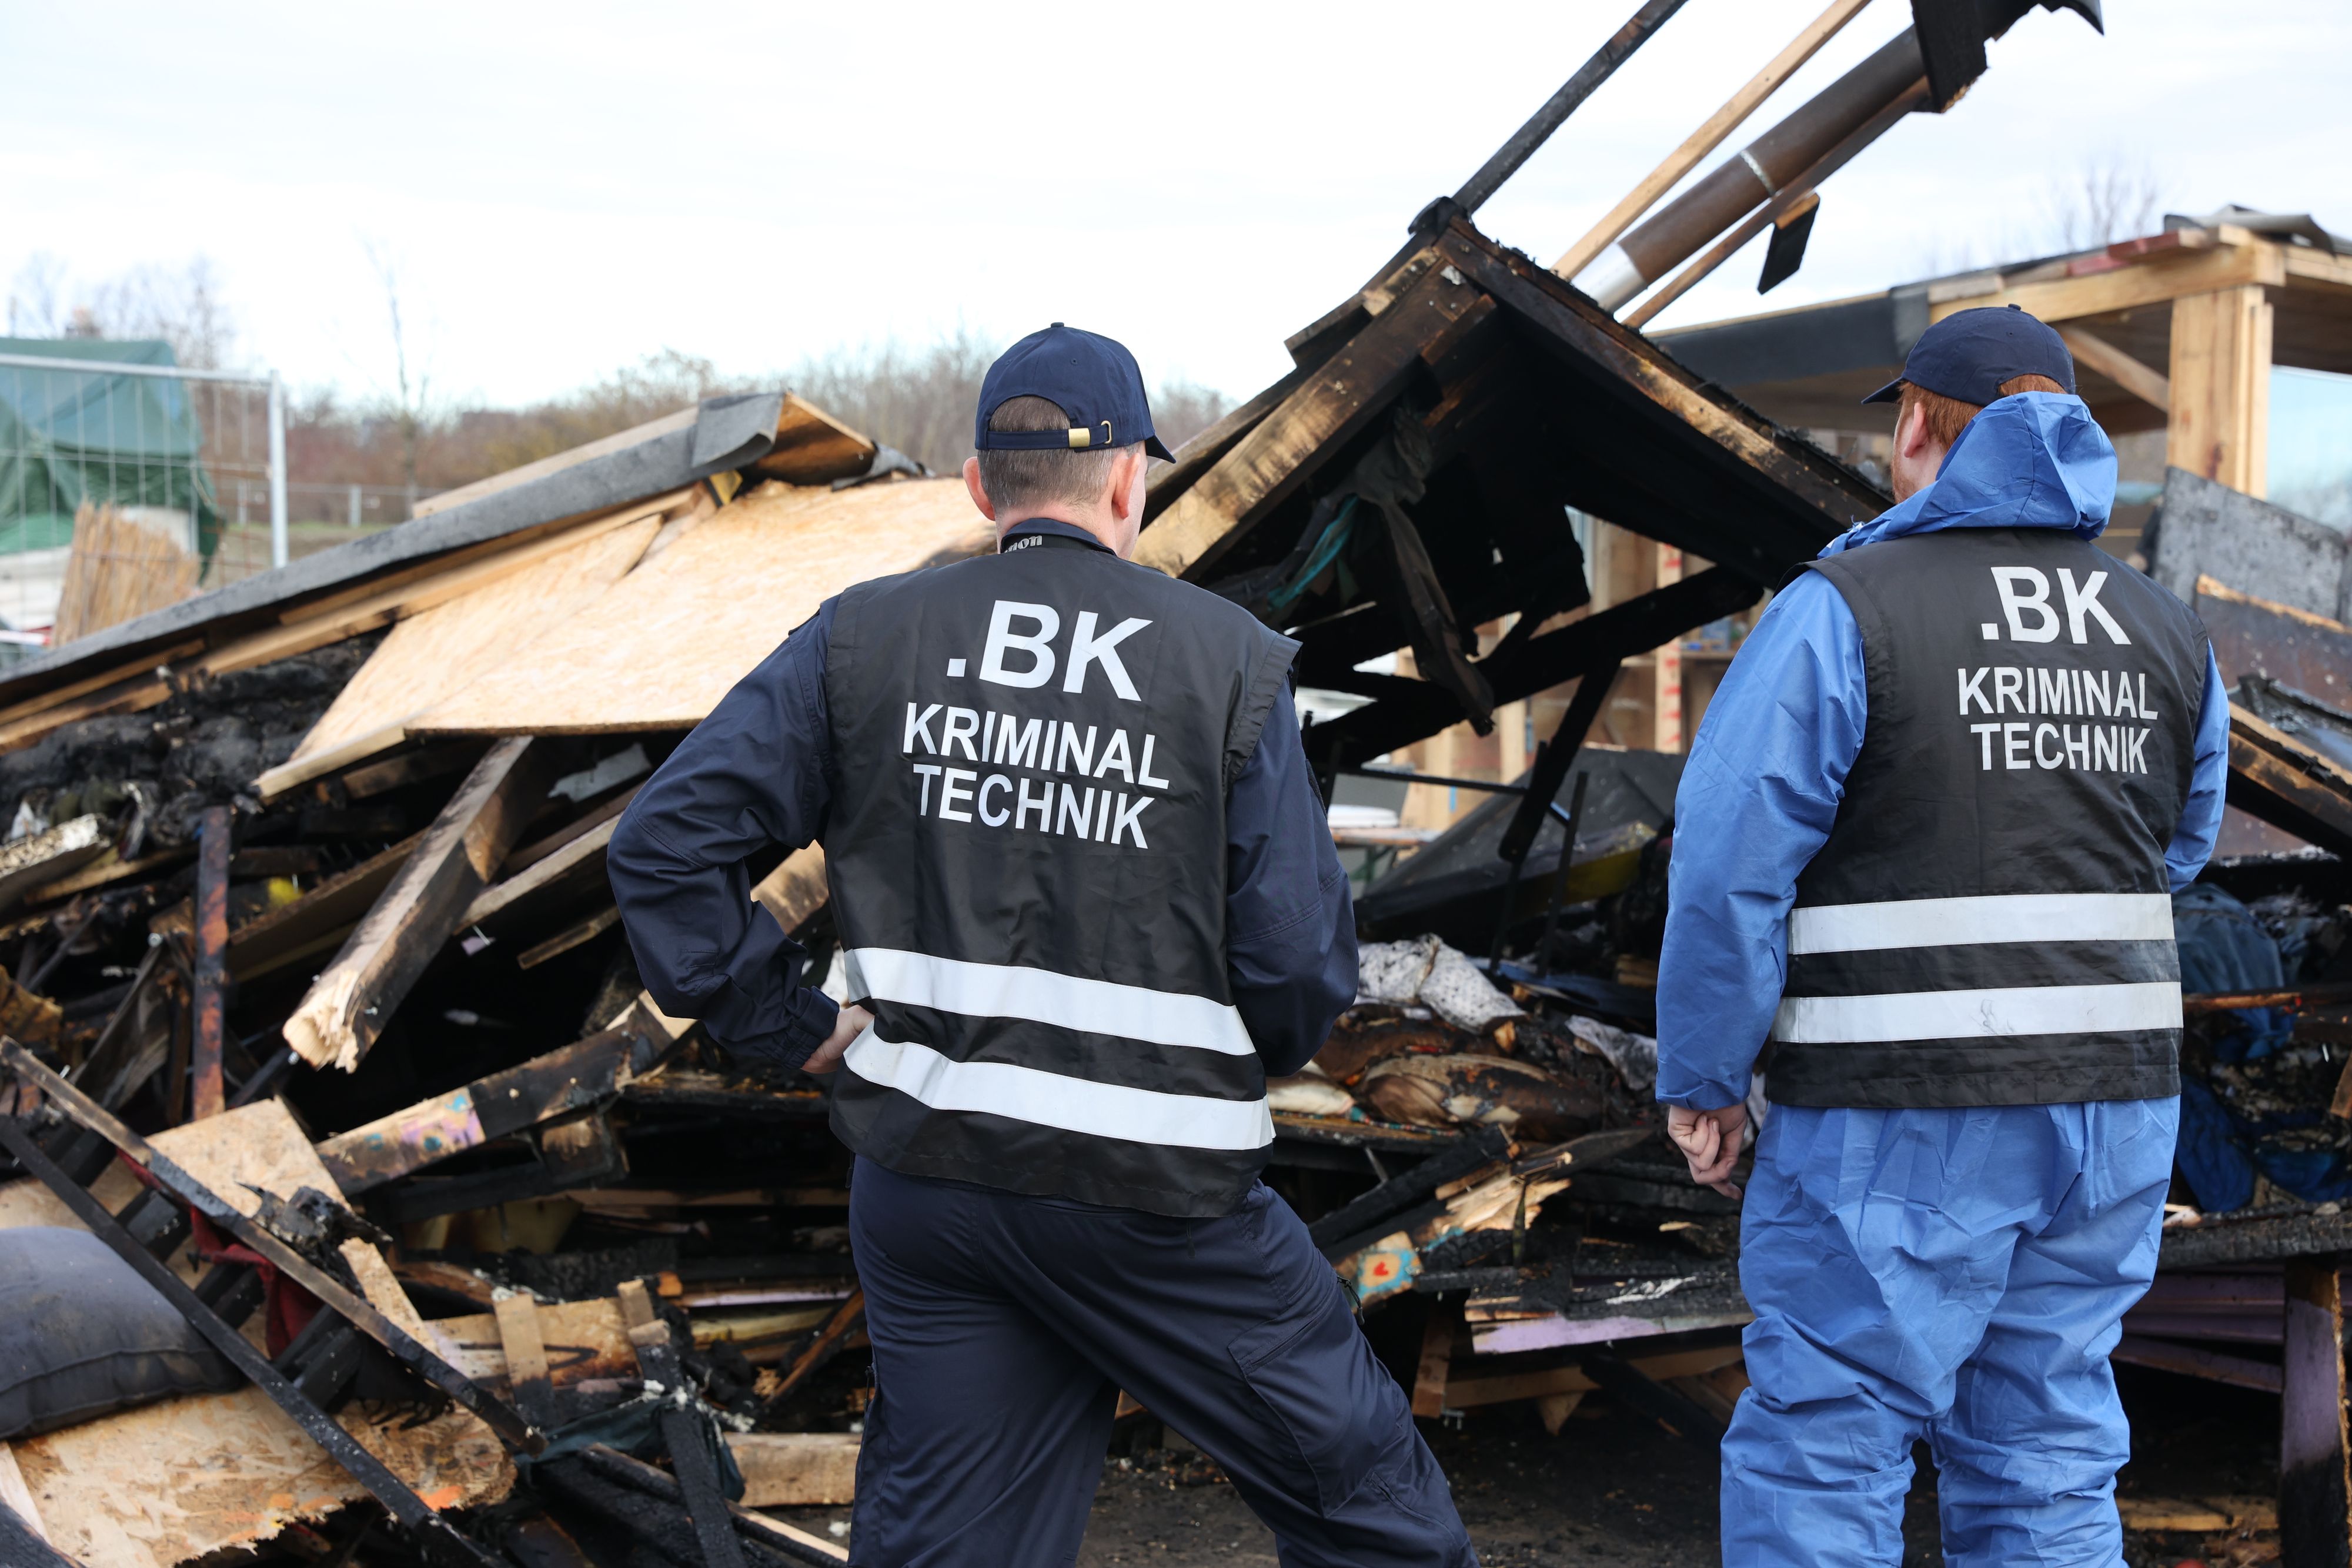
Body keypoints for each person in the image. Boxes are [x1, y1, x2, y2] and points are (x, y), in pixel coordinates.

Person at [609, 324, 1475, 1568]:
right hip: (1159, 1200)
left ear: (977, 484)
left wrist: (785, 1025)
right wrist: (1242, 1052)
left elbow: (663, 848)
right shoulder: (1224, 663)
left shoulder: (863, 638)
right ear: (1128, 481)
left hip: (930, 1188)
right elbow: (1292, 962)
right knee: (1381, 1528)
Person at [1655, 305, 2229, 1566]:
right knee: (2045, 1452)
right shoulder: (2162, 630)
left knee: (1826, 1446)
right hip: (2108, 1116)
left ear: (1915, 423)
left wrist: (1702, 1076)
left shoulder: (1842, 607)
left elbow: (1726, 864)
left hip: (1895, 1115)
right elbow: (2175, 850)